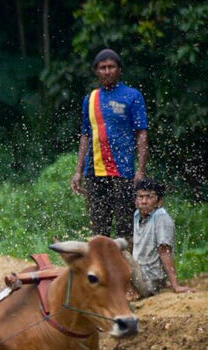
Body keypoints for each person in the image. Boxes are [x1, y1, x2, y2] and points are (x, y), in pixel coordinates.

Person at [70, 49, 149, 240]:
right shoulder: (90, 99)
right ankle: (102, 268)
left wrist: (141, 170)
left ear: (119, 70)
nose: (107, 71)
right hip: (94, 172)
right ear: (96, 71)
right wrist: (78, 171)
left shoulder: (133, 96)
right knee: (99, 230)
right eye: (102, 68)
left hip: (123, 173)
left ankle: (127, 267)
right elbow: (85, 136)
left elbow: (142, 134)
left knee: (126, 229)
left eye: (111, 67)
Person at [132, 178, 188, 295]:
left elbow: (165, 251)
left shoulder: (161, 217)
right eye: (140, 197)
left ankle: (156, 285)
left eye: (149, 197)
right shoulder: (137, 215)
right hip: (138, 274)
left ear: (159, 201)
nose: (143, 201)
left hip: (149, 279)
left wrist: (175, 284)